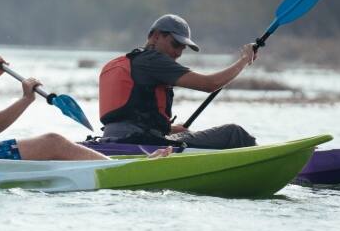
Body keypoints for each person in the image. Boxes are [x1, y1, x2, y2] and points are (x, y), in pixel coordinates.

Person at [0, 10, 168, 161]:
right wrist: (25, 99)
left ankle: (111, 164)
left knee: (57, 145)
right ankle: (122, 170)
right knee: (53, 142)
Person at [98, 14, 258, 149]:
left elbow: (133, 115)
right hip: (142, 142)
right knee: (234, 133)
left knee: (186, 134)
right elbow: (210, 84)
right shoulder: (153, 60)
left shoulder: (128, 62)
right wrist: (244, 60)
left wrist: (169, 128)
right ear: (155, 36)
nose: (178, 53)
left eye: (182, 48)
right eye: (175, 44)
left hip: (114, 140)